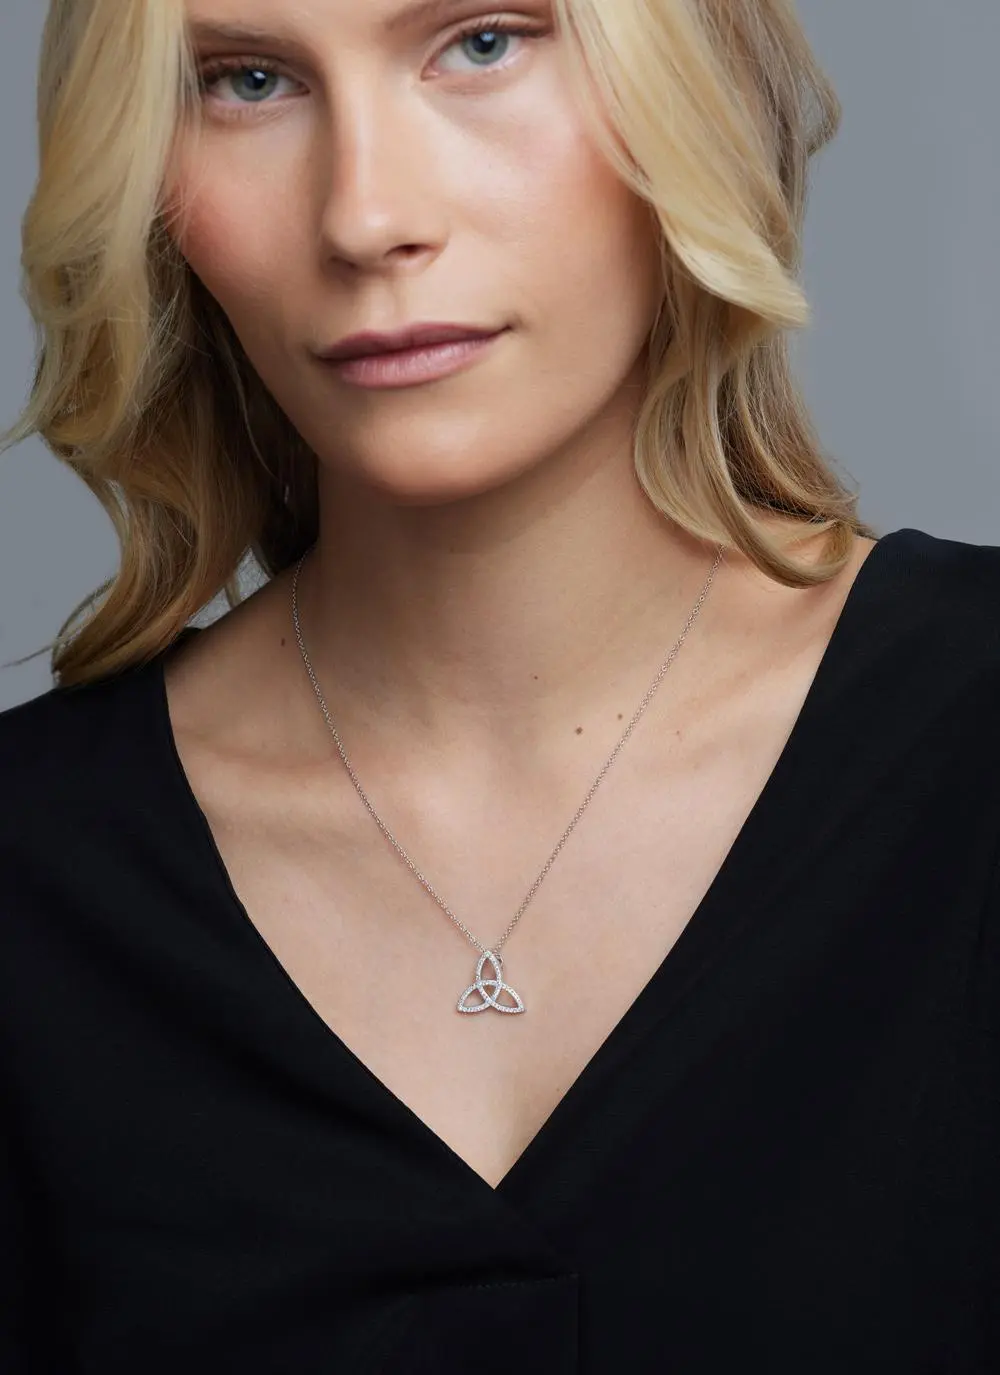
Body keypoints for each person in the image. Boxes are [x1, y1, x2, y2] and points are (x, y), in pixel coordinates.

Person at [0, 0, 996, 1369]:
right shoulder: (33, 875)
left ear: (694, 79)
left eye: (482, 42)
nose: (367, 217)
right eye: (247, 81)